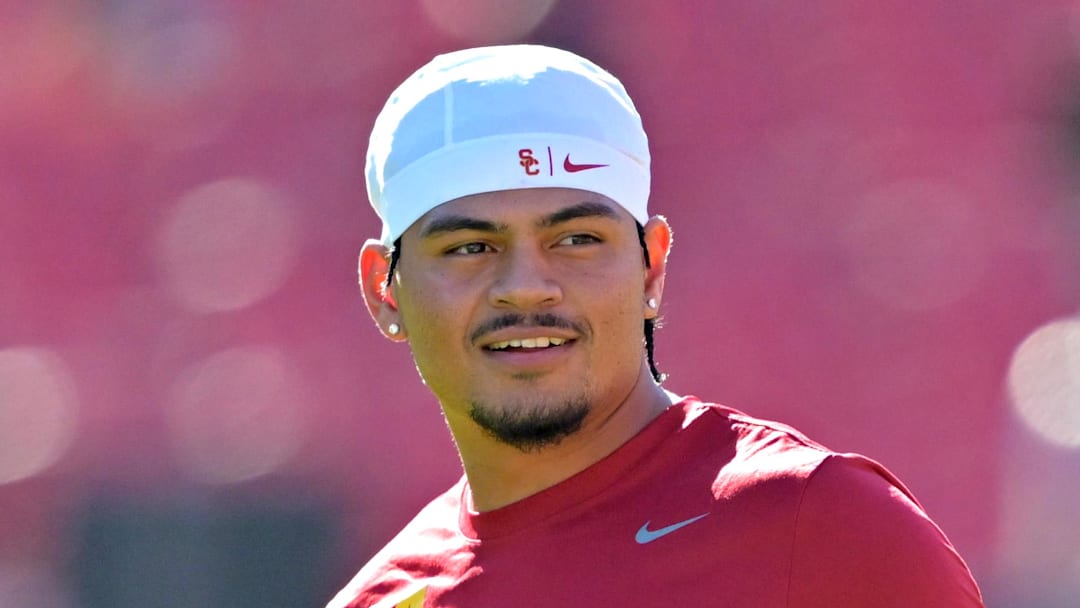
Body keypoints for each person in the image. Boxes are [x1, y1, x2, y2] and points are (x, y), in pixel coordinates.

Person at [328, 44, 984, 608]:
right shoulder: (380, 598)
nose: (526, 284)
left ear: (651, 268)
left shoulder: (824, 533)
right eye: (471, 247)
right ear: (385, 290)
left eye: (576, 239)